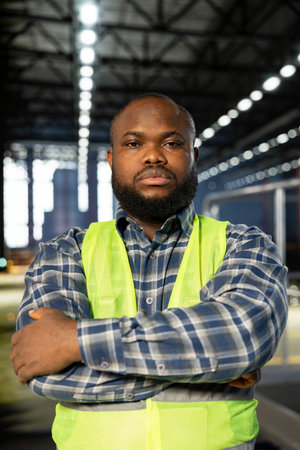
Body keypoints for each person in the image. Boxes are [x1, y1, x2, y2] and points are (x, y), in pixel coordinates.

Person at [10, 93, 288, 450]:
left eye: (172, 142)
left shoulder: (244, 245)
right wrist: (208, 370)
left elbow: (241, 336)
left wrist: (73, 340)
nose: (154, 155)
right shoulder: (65, 252)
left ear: (194, 157)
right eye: (133, 143)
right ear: (112, 160)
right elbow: (45, 371)